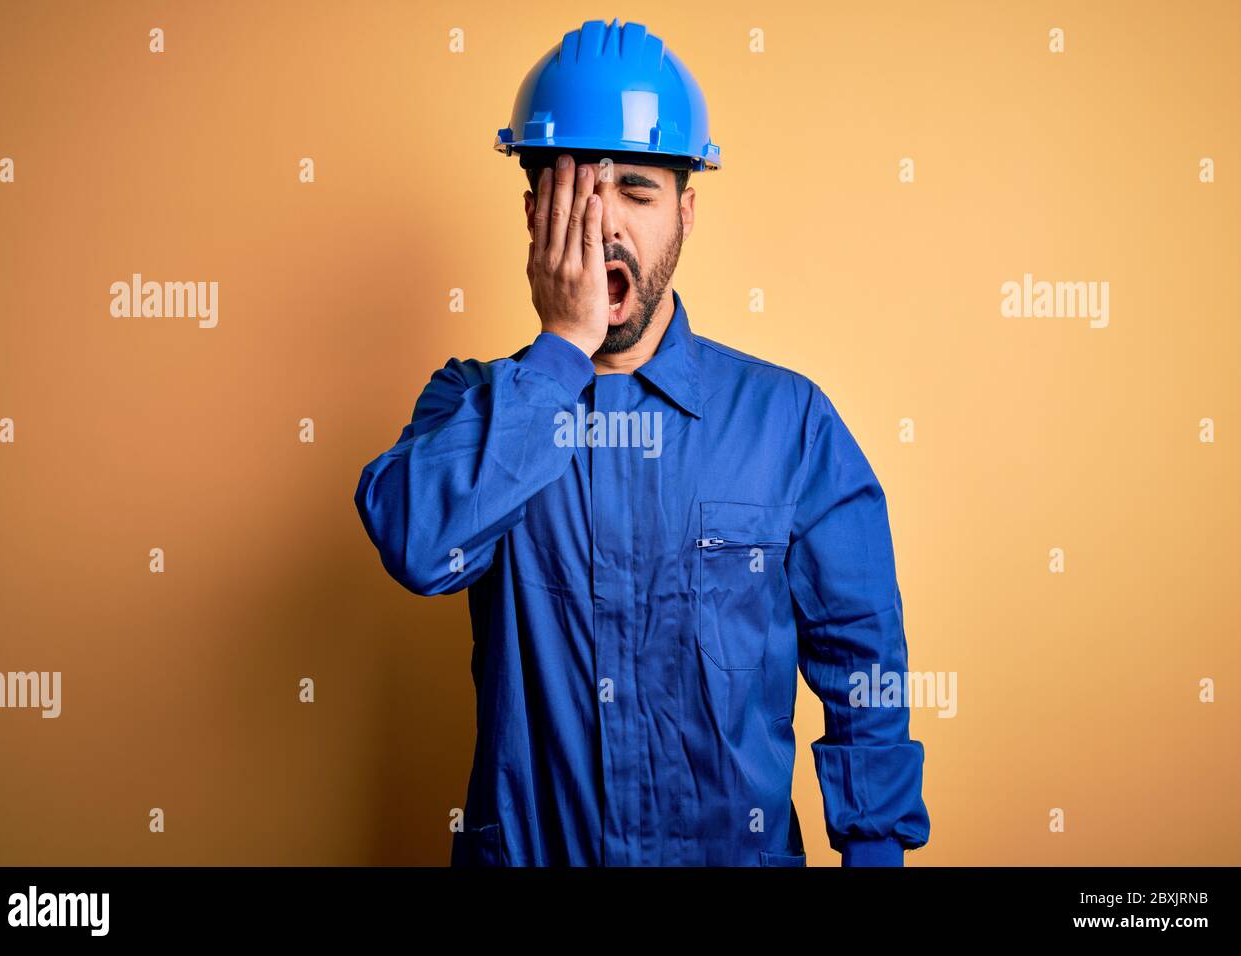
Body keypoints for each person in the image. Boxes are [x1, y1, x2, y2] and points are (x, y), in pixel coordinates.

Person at [354, 18, 930, 866]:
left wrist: (874, 850)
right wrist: (562, 350)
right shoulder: (468, 405)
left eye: (635, 188)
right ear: (533, 213)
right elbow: (417, 547)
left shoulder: (790, 423)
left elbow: (863, 665)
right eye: (575, 191)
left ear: (686, 212)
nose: (603, 224)